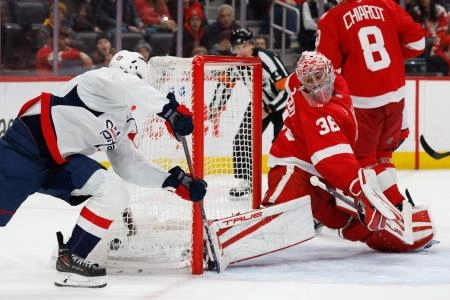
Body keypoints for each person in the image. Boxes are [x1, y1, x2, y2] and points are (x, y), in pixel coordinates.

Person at [206, 51, 435, 272]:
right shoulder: (315, 108)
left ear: (330, 73)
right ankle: (215, 240)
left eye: (318, 77)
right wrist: (360, 190)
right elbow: (332, 158)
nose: (315, 85)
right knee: (279, 220)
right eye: (309, 80)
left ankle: (397, 235)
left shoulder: (333, 88)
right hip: (295, 170)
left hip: (322, 179)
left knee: (350, 220)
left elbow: (293, 83)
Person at [0, 50, 207, 288]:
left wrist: (172, 182)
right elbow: (123, 83)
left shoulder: (123, 118)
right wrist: (169, 110)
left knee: (113, 191)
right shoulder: (97, 81)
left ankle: (72, 259)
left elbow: (128, 164)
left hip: (61, 163)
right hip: (22, 152)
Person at [315, 0, 426, 195]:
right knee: (384, 157)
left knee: (364, 161)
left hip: (362, 102)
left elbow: (328, 70)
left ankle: (390, 208)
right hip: (395, 96)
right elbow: (418, 43)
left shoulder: (332, 17)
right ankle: (395, 203)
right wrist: (394, 53)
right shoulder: (388, 5)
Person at [226, 27, 290, 199]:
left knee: (281, 144)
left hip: (283, 106)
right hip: (259, 105)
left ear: (251, 44)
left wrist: (268, 109)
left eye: (243, 46)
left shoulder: (267, 59)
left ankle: (284, 181)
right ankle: (245, 181)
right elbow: (225, 86)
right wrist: (215, 108)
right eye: (236, 48)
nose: (240, 52)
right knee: (242, 139)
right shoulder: (237, 63)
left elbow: (288, 90)